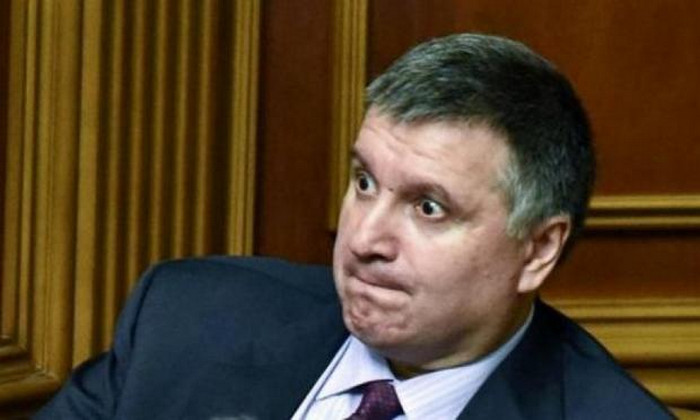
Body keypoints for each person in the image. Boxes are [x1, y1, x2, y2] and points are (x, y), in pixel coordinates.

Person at [36, 33, 672, 419]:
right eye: (364, 182)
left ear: (537, 250)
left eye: (428, 208)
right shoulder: (186, 321)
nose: (364, 241)